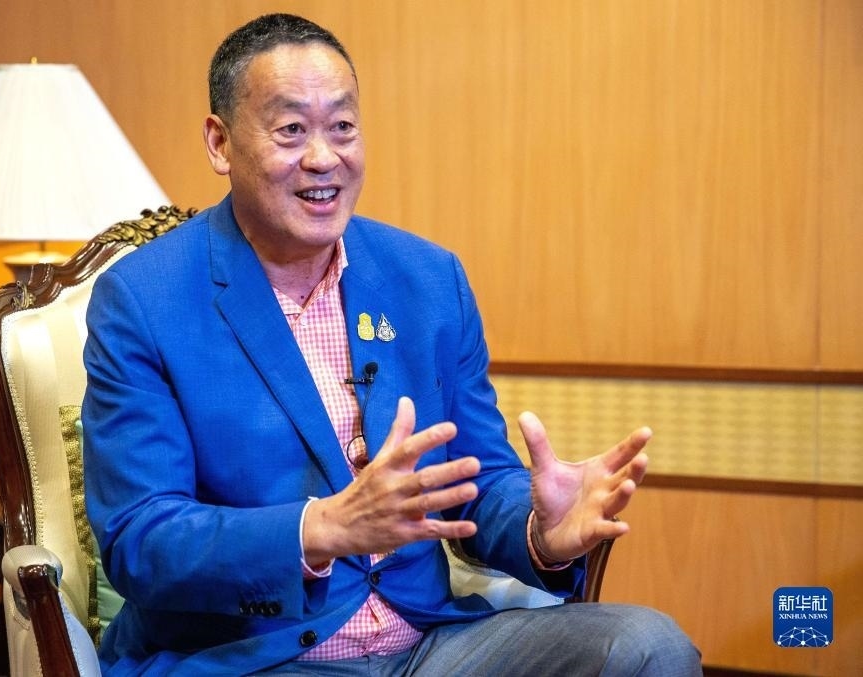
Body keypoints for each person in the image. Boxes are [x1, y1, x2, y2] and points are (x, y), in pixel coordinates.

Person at [82, 13, 701, 676]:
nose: (324, 157)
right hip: (254, 656)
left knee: (647, 646)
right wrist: (319, 530)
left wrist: (539, 530)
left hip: (424, 643)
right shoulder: (144, 300)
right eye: (291, 130)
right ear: (220, 142)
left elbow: (476, 482)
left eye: (342, 127)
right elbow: (143, 538)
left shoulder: (429, 280)